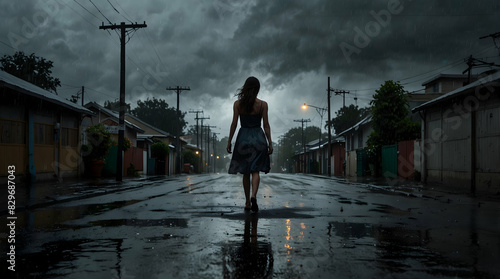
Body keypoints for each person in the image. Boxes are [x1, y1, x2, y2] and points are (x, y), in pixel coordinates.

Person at [227, 76, 273, 212]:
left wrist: (229, 141)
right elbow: (266, 125)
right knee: (255, 170)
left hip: (243, 139)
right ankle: (254, 196)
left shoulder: (237, 104)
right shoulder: (263, 105)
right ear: (257, 89)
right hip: (258, 139)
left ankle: (247, 202)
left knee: (245, 172)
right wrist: (270, 143)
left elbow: (234, 123)